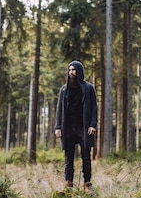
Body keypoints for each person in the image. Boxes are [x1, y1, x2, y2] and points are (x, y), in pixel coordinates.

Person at [54, 60, 98, 192]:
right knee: (68, 158)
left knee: (86, 156)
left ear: (79, 72)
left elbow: (94, 108)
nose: (71, 72)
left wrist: (92, 125)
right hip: (68, 128)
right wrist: (58, 127)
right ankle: (68, 184)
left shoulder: (89, 88)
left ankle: (87, 184)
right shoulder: (64, 90)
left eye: (73, 70)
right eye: (69, 70)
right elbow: (59, 109)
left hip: (84, 127)